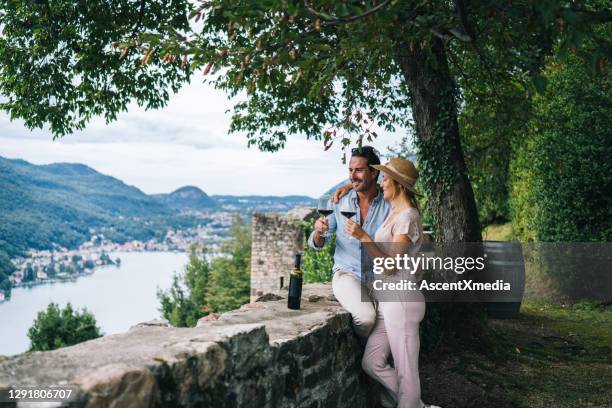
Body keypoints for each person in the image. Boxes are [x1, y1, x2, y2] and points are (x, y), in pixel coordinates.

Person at [344, 158, 439, 408]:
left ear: (398, 184)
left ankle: (409, 404)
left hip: (402, 301)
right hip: (388, 303)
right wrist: (345, 188)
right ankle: (416, 405)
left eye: (385, 178)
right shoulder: (395, 213)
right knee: (371, 362)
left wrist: (364, 237)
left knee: (407, 374)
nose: (382, 182)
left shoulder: (407, 216)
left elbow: (390, 265)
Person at [308, 146, 391, 340]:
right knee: (366, 317)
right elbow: (319, 243)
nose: (352, 175)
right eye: (350, 170)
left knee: (396, 316)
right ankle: (365, 357)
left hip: (380, 277)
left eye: (359, 170)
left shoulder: (388, 204)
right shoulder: (340, 201)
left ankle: (376, 362)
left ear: (374, 172)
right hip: (347, 273)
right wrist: (319, 232)